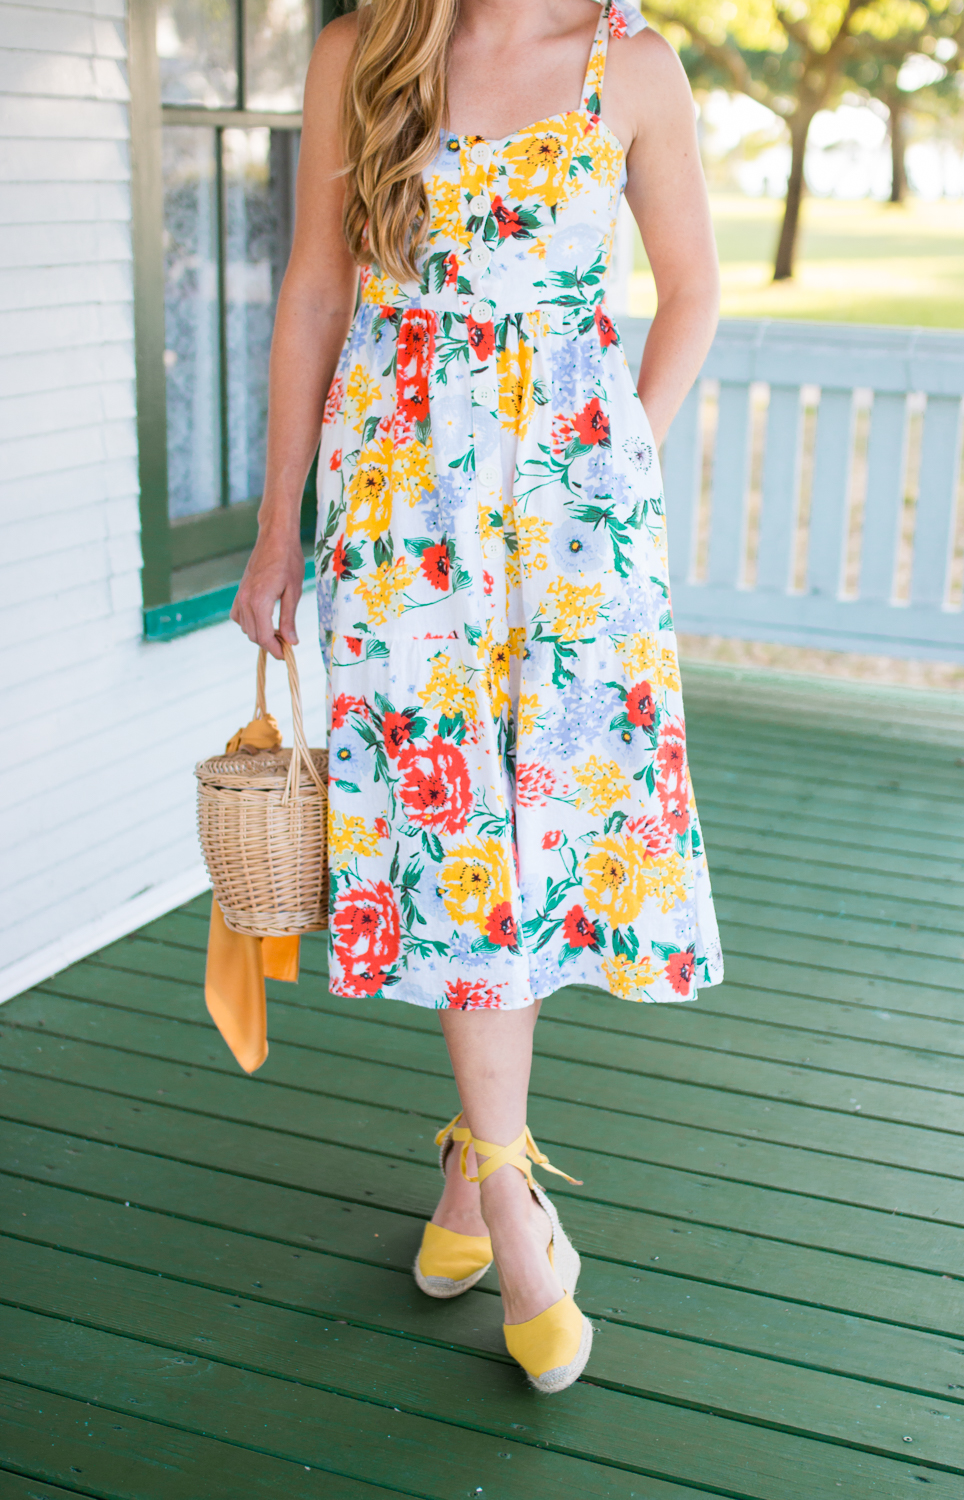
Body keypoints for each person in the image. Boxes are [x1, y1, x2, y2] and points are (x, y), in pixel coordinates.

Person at [232, 0, 723, 1393]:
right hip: (398, 499)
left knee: (539, 827)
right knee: (456, 837)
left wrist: (617, 463)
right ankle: (509, 1198)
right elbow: (319, 293)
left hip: (572, 514)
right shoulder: (365, 49)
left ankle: (475, 1166)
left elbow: (691, 288)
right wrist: (279, 526)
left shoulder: (633, 63)